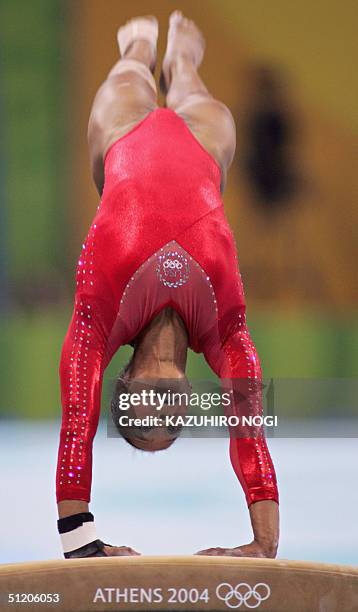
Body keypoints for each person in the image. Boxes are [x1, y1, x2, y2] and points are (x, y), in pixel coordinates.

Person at [56, 11, 279, 559]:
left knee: (129, 76)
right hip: (205, 148)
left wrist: (82, 544)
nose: (157, 411)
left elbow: (75, 429)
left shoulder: (97, 321)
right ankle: (181, 61)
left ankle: (136, 44)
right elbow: (250, 436)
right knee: (192, 88)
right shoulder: (227, 336)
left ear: (123, 376)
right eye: (168, 423)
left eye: (138, 418)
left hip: (123, 134)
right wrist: (263, 544)